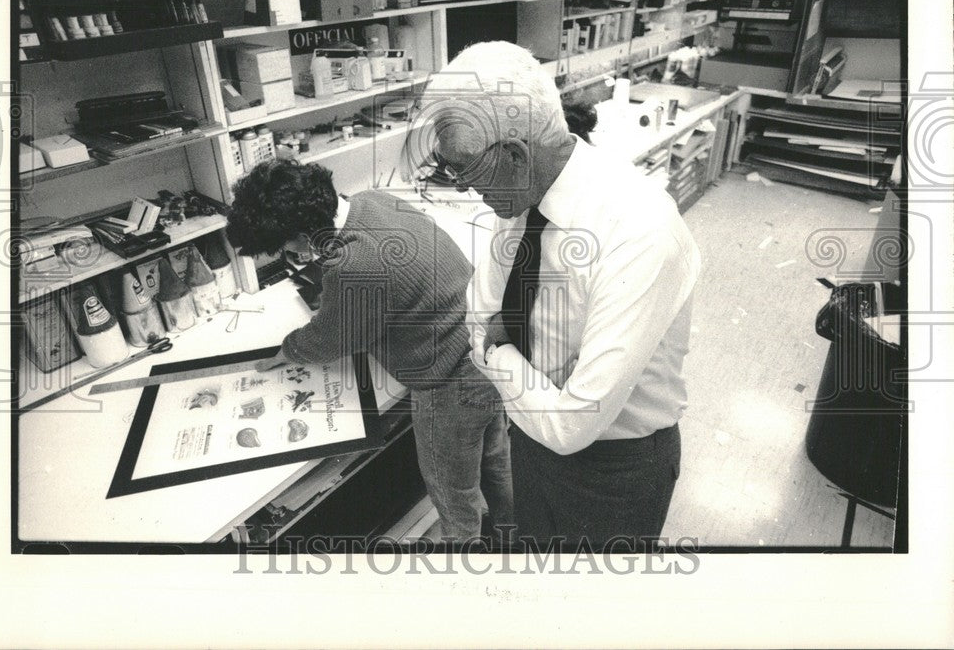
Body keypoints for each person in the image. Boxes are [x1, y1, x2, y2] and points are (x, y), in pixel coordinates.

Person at [419, 40, 701, 550]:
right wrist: (528, 378)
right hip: (529, 441)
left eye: (463, 169)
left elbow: (573, 425)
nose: (461, 187)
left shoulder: (638, 230)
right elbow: (477, 314)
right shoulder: (522, 198)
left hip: (615, 471)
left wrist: (500, 352)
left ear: (515, 153)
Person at [225, 160, 513, 543]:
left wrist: (289, 349)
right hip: (487, 350)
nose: (287, 254)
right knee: (495, 458)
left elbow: (330, 339)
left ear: (302, 233)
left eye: (285, 245)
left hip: (449, 381)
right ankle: (515, 534)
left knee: (451, 491)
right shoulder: (372, 200)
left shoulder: (353, 265)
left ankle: (465, 572)